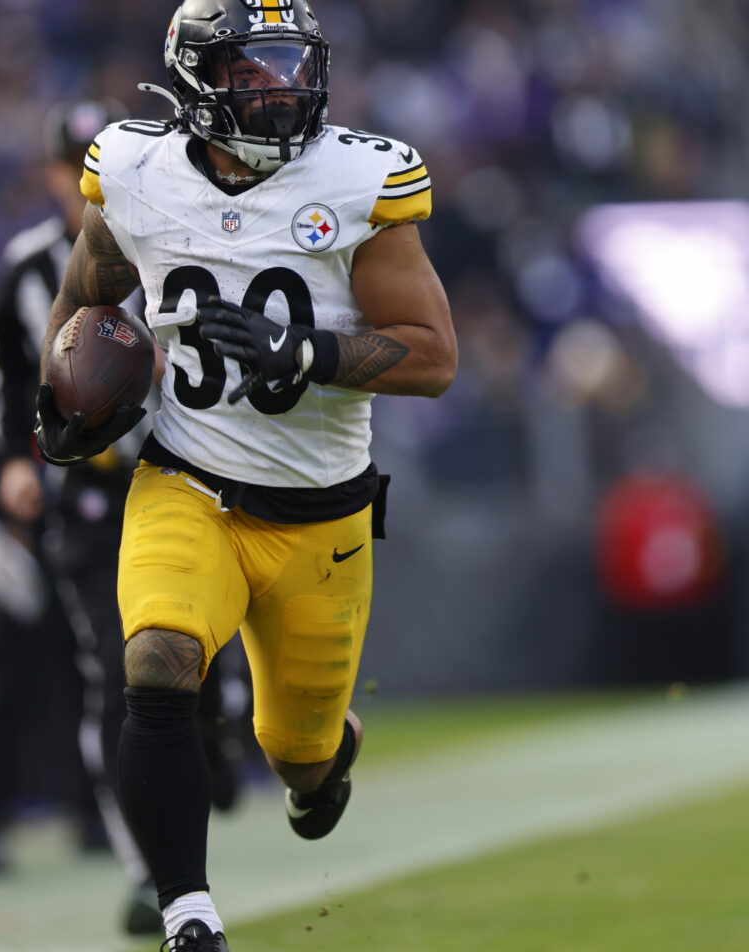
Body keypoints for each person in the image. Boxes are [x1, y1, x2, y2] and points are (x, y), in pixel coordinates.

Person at [32, 2, 457, 947]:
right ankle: (188, 911)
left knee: (295, 753)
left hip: (320, 517)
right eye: (253, 67)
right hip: (188, 480)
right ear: (195, 77)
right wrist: (62, 401)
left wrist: (302, 351)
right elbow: (86, 293)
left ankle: (327, 754)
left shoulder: (360, 181)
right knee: (156, 660)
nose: (282, 87)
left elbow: (432, 357)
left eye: (292, 65)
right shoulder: (135, 173)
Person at [0, 99, 248, 936]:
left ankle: (219, 727)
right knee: (119, 673)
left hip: (195, 482)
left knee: (204, 672)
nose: (82, 184)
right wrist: (12, 459)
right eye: (72, 168)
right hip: (96, 499)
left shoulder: (178, 233)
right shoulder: (26, 267)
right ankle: (149, 867)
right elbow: (1, 374)